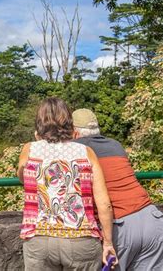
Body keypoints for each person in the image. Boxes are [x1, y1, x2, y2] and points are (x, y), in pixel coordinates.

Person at [17, 98, 118, 271]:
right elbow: (104, 204)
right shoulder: (86, 152)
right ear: (69, 123)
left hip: (39, 238)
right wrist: (107, 243)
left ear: (40, 124)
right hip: (82, 240)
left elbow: (22, 177)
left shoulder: (30, 149)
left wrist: (37, 141)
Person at [72, 108, 163, 271]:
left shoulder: (76, 151)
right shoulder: (116, 145)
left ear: (74, 132)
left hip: (120, 227)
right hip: (151, 218)